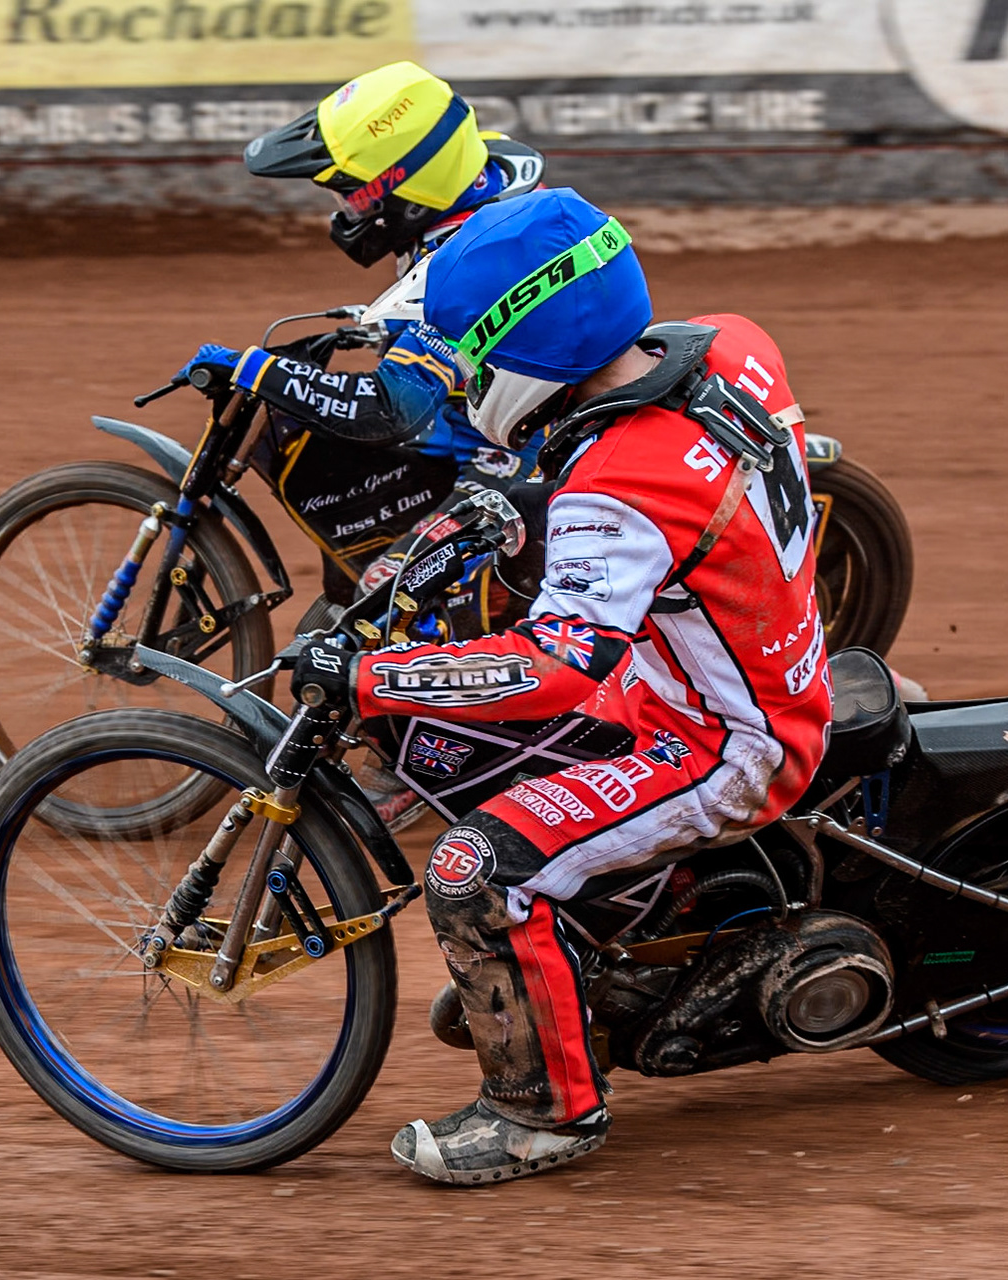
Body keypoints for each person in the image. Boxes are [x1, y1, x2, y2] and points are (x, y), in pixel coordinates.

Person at [269, 187, 836, 1184]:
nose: (453, 372)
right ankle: (582, 970)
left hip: (722, 738)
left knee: (473, 866)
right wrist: (522, 514)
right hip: (752, 655)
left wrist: (371, 675)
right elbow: (684, 492)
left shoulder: (611, 491)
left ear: (523, 344)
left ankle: (544, 1114)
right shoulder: (729, 343)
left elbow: (552, 668)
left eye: (462, 351)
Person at [181, 61, 547, 826]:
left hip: (517, 452)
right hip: (525, 399)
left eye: (355, 189)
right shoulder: (485, 177)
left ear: (408, 186)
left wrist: (256, 368)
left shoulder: (448, 256)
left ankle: (411, 754)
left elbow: (390, 412)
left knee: (388, 577)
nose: (346, 208)